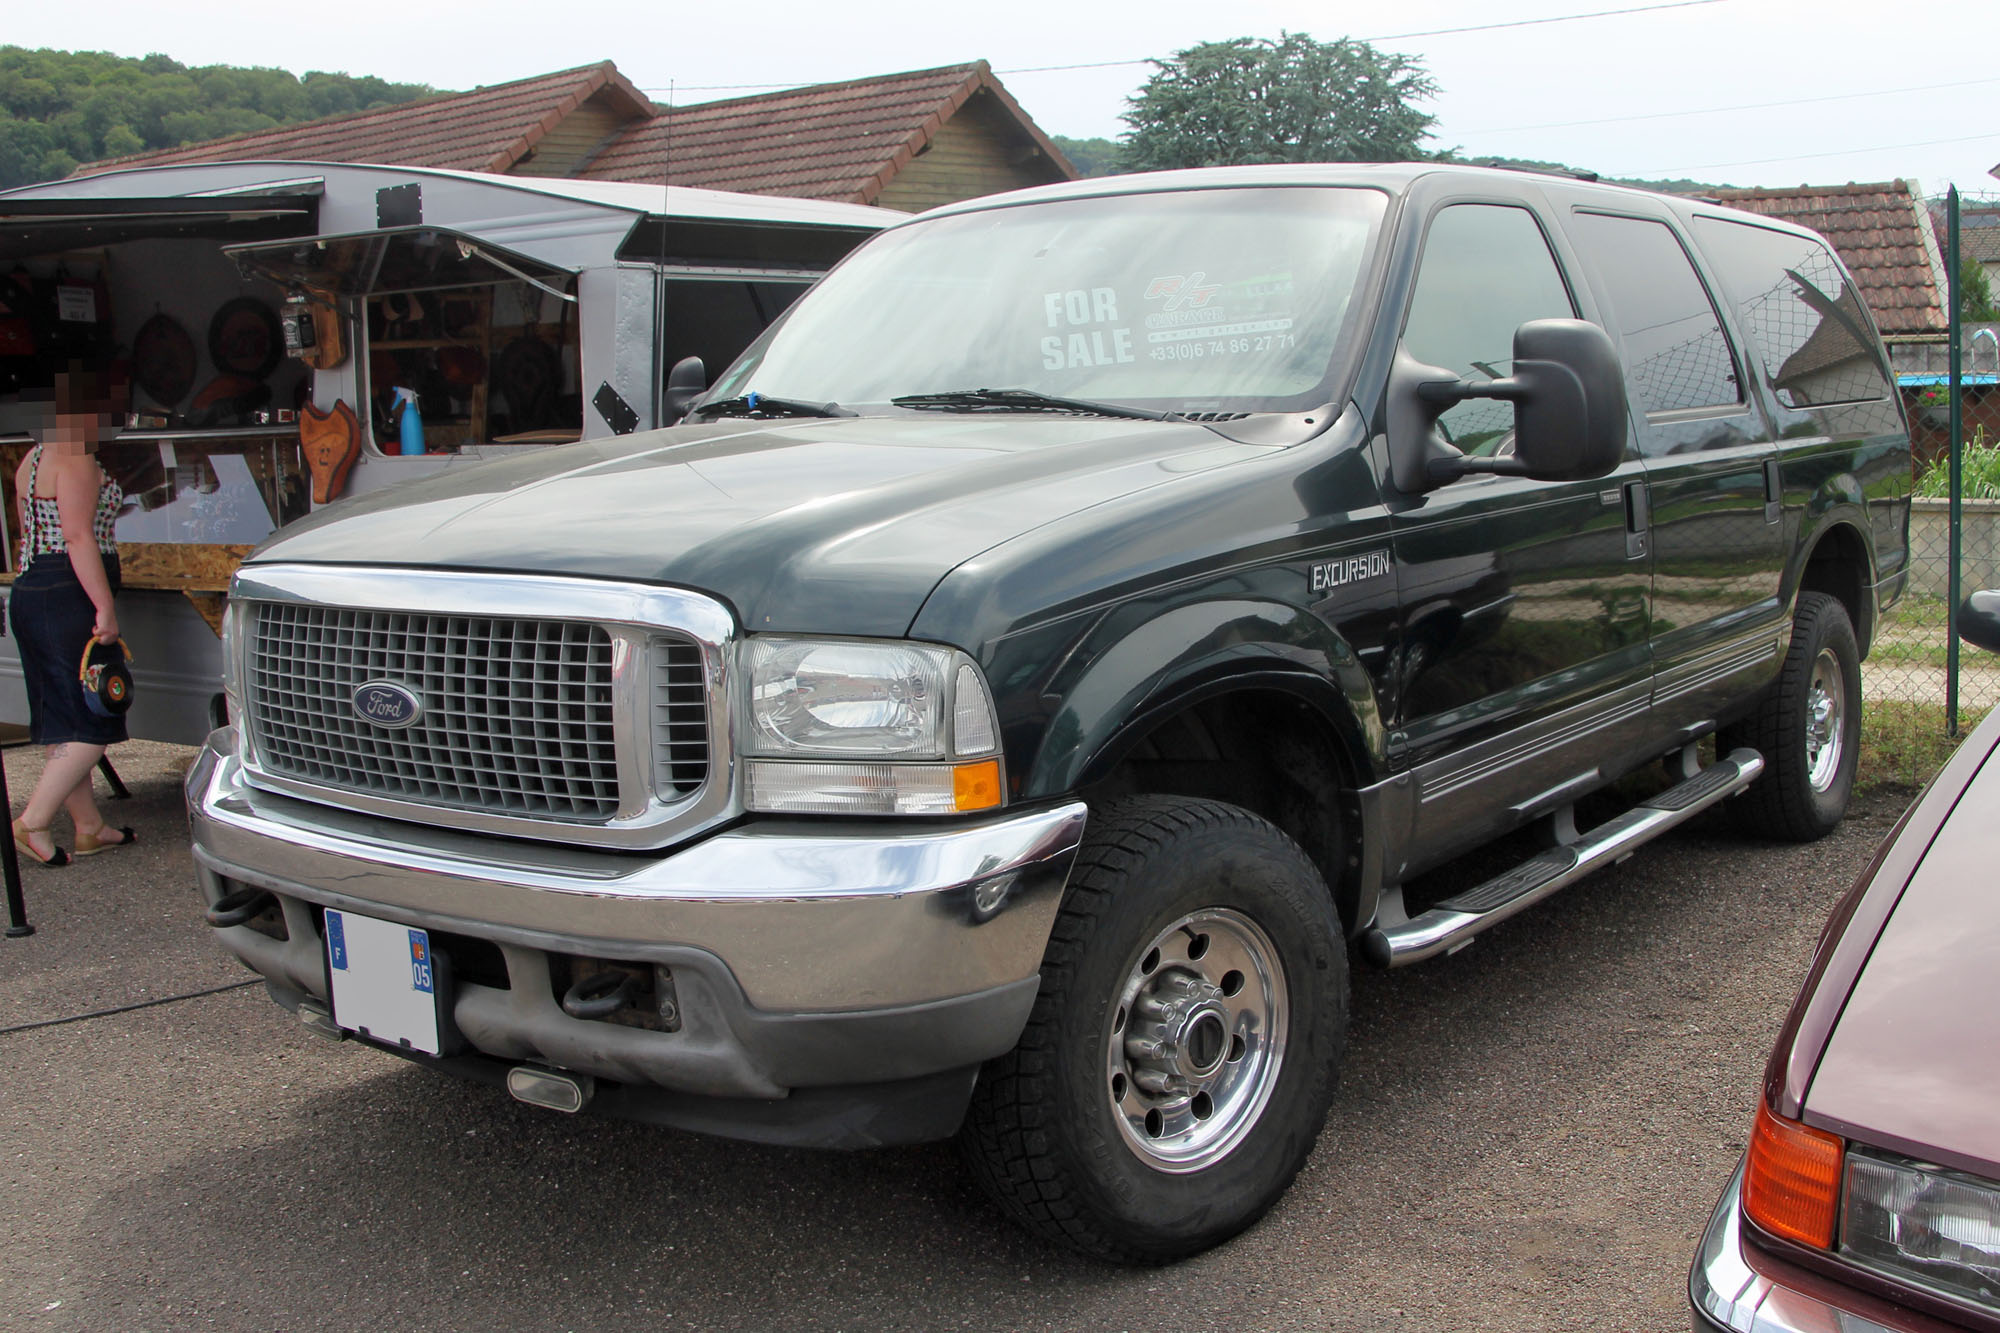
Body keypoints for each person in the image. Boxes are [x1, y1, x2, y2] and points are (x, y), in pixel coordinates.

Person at [9, 366, 135, 867]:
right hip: (70, 590)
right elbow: (79, 537)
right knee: (94, 714)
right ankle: (32, 821)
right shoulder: (78, 460)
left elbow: (28, 530)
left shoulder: (32, 459)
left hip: (30, 588)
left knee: (60, 714)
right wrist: (104, 606)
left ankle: (88, 827)